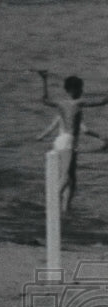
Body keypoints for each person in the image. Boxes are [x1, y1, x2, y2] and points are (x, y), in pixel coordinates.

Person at [37, 72, 108, 215]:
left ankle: (66, 209)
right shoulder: (78, 103)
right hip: (68, 141)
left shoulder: (60, 103)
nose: (82, 91)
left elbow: (45, 100)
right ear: (74, 90)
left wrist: (44, 80)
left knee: (71, 176)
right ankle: (52, 201)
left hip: (60, 141)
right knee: (65, 176)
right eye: (81, 89)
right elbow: (103, 101)